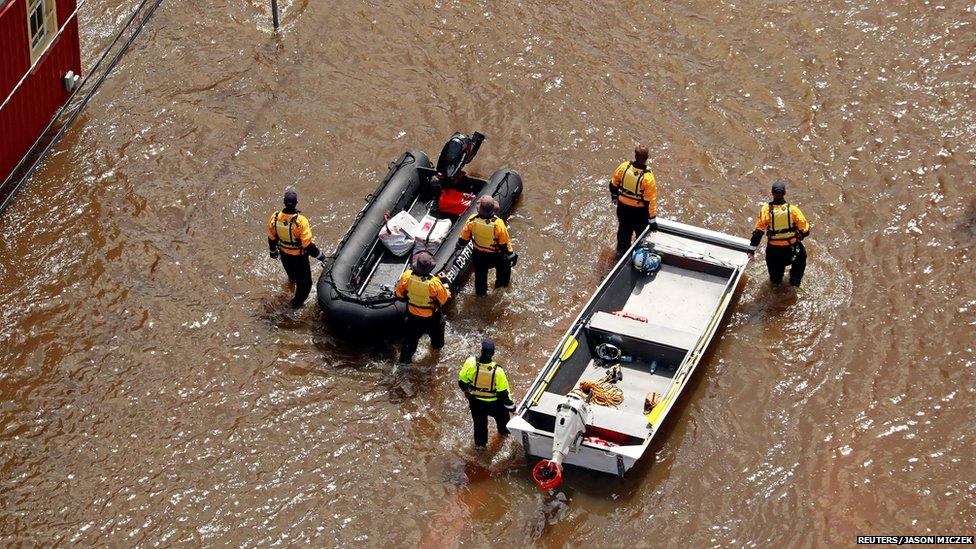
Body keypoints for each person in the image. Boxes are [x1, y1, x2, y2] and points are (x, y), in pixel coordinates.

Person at [267, 187, 326, 307]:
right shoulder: (300, 221)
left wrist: (273, 251)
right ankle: (295, 306)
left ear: (284, 202)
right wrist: (321, 256)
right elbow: (308, 246)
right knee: (305, 285)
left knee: (292, 277)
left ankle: (290, 287)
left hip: (284, 256)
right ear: (296, 203)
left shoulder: (275, 217)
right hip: (299, 259)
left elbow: (271, 238)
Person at [748, 180, 811, 287]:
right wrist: (798, 234)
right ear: (784, 193)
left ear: (772, 193)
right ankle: (795, 282)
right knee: (798, 270)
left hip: (774, 252)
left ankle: (777, 286)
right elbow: (806, 231)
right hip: (793, 250)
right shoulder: (793, 210)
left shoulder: (766, 210)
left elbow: (758, 233)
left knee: (775, 282)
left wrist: (751, 251)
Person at [394, 251, 451, 364]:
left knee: (409, 345)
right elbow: (445, 299)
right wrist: (445, 281)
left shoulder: (406, 276)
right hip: (432, 319)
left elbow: (399, 295)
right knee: (437, 345)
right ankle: (436, 360)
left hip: (413, 318)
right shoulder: (434, 283)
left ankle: (402, 366)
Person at [457, 339, 515, 448]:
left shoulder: (470, 362)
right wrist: (513, 408)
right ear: (493, 354)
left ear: (481, 351)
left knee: (479, 426)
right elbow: (504, 395)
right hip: (495, 404)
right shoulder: (498, 371)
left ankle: (480, 448)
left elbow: (462, 383)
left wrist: (470, 391)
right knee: (504, 426)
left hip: (476, 403)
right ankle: (504, 439)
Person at [457, 195, 516, 296]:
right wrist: (511, 255)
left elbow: (463, 240)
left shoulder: (472, 221)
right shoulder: (498, 224)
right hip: (496, 256)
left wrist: (458, 246)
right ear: (493, 210)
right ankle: (500, 290)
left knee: (480, 278)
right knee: (503, 276)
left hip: (479, 255)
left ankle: (481, 295)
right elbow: (503, 244)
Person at [609, 144, 658, 257]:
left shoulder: (624, 167)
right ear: (648, 157)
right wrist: (652, 221)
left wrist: (614, 197)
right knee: (641, 236)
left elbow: (613, 184)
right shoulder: (648, 178)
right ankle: (638, 256)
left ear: (635, 155)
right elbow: (650, 201)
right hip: (639, 213)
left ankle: (620, 255)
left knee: (623, 233)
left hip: (623, 209)